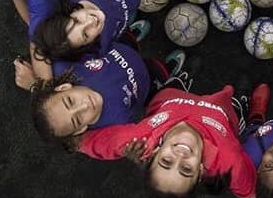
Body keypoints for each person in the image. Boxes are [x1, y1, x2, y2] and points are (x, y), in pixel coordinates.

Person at [76, 84, 257, 198]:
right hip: (221, 108)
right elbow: (250, 192)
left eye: (166, 161)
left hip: (169, 96)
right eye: (186, 169)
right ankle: (251, 113)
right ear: (201, 171)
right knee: (240, 118)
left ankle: (174, 79)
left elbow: (99, 143)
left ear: (154, 153)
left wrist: (69, 139)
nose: (179, 156)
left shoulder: (137, 142)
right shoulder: (230, 162)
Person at [14, 44, 186, 150]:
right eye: (77, 119)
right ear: (81, 129)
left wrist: (36, 86)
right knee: (157, 74)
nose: (84, 106)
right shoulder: (113, 127)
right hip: (146, 83)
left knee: (128, 40)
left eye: (70, 101)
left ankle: (133, 36)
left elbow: (40, 43)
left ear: (64, 87)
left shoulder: (65, 69)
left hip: (121, 47)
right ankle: (166, 76)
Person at [33, 0, 145, 61]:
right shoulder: (103, 46)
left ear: (69, 12)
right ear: (88, 45)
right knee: (129, 18)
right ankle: (130, 31)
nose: (91, 22)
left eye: (77, 21)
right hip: (123, 21)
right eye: (85, 35)